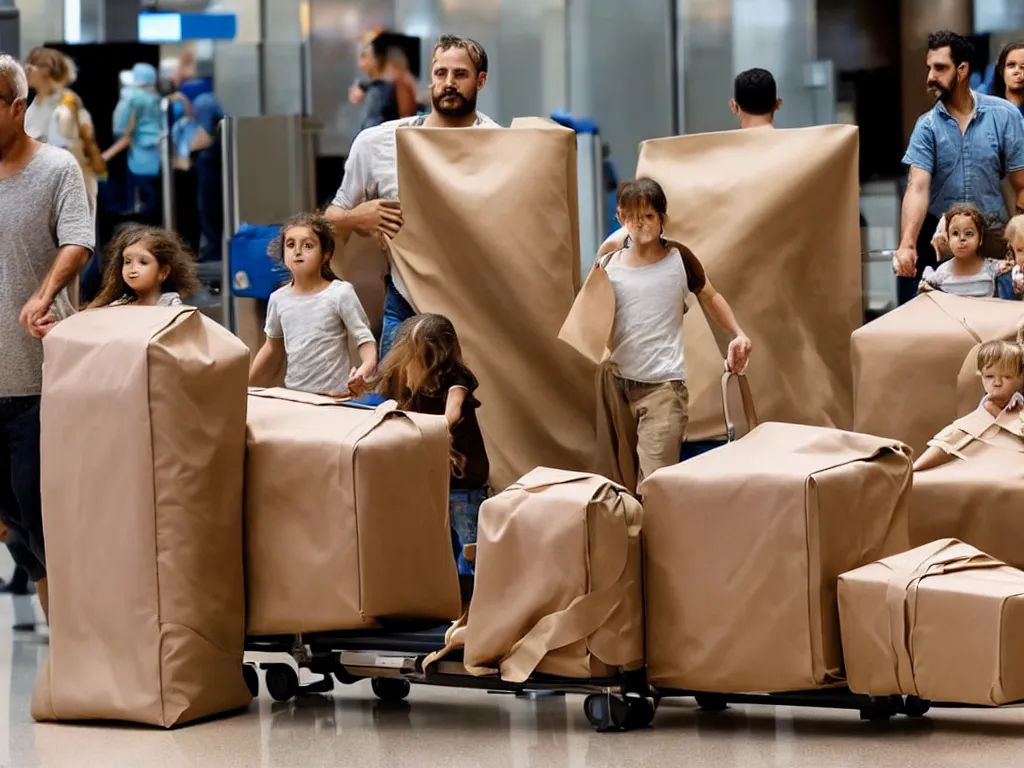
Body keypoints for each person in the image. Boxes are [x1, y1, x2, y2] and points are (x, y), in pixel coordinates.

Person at [327, 34, 499, 360]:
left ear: (480, 81)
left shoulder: (502, 147)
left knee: (475, 408)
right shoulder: (377, 143)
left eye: (460, 74)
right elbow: (329, 219)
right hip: (407, 302)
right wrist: (357, 217)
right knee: (398, 406)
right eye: (440, 73)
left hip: (479, 304)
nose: (448, 83)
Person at [0, 55, 94, 621]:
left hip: (39, 377)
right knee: (8, 514)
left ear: (17, 107)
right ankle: (52, 585)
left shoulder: (56, 169)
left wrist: (43, 293)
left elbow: (79, 242)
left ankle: (75, 619)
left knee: (37, 504)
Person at [597, 179, 752, 489]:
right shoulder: (609, 264)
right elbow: (590, 314)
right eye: (631, 216)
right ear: (620, 218)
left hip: (663, 389)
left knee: (653, 484)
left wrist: (738, 333)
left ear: (662, 219)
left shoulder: (679, 259)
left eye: (648, 216)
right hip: (617, 384)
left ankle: (662, 537)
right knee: (623, 482)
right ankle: (631, 539)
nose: (639, 224)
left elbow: (710, 296)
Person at [894, 30, 1024, 306]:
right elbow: (917, 187)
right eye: (929, 68)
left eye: (940, 68)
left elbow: (1022, 186)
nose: (930, 77)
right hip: (944, 242)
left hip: (993, 237)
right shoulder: (927, 126)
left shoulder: (1004, 116)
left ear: (962, 70)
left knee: (1000, 331)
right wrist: (907, 244)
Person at [373, 313, 489, 599]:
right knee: (439, 542)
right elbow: (387, 401)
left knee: (470, 542)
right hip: (432, 475)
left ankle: (476, 600)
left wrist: (429, 428)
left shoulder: (456, 376)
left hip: (463, 476)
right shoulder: (410, 380)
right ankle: (444, 597)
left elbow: (454, 409)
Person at [249, 213, 377, 395]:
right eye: (290, 244)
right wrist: (244, 389)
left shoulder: (340, 293)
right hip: (296, 398)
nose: (297, 251)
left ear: (325, 255)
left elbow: (364, 339)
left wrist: (365, 368)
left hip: (335, 398)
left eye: (308, 245)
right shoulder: (278, 299)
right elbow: (271, 348)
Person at [914, 338, 1024, 471]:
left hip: (1010, 437)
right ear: (981, 375)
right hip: (982, 433)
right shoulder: (988, 403)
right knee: (953, 435)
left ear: (1019, 379)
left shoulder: (1017, 401)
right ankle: (915, 469)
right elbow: (984, 415)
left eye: (1006, 377)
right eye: (989, 376)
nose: (997, 382)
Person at [23, 47, 104, 215]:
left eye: (30, 67)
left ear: (45, 70)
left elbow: (75, 138)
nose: (26, 72)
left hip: (70, 179)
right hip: (44, 181)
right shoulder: (35, 103)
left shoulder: (67, 101)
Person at [103, 62, 163, 220]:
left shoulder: (131, 98)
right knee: (156, 200)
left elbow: (122, 131)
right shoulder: (158, 100)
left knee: (143, 204)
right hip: (159, 154)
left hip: (140, 158)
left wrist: (104, 156)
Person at [89, 225, 199, 308]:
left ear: (163, 272)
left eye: (143, 262)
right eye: (127, 262)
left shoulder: (171, 307)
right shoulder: (119, 306)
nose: (133, 269)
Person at [919, 203, 1011, 297]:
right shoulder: (942, 273)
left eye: (969, 233)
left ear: (981, 238)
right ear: (948, 238)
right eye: (955, 233)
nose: (962, 238)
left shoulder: (993, 269)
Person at [348, 32, 400, 134]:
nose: (360, 62)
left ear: (377, 59)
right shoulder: (371, 87)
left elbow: (370, 130)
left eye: (364, 56)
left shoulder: (379, 91)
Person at [989, 41, 1024, 113]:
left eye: (1023, 67)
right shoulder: (988, 110)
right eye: (1011, 66)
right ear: (1001, 70)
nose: (1017, 71)